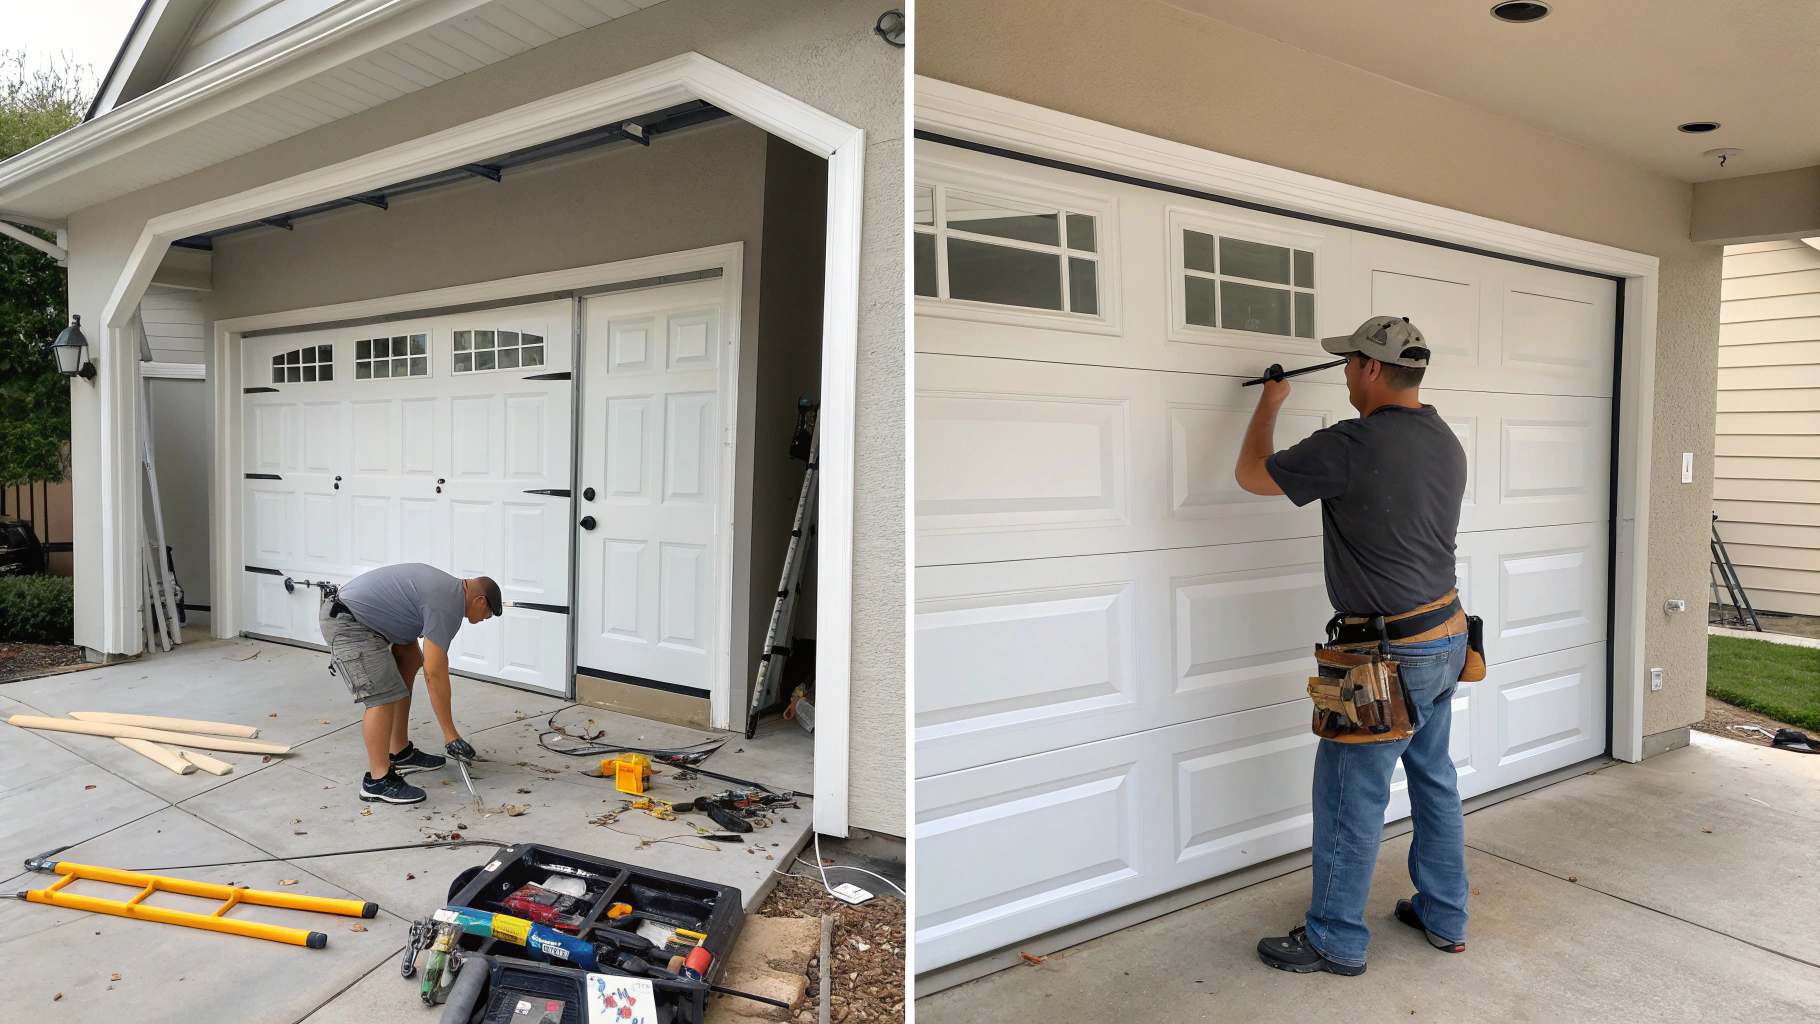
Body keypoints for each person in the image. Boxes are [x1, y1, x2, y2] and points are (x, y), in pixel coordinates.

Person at [1234, 315, 1471, 976]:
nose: (1343, 373)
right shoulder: (1444, 439)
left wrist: (1269, 403)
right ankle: (1444, 914)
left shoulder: (1351, 444)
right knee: (1434, 780)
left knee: (1347, 793)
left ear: (1370, 368)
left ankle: (1335, 936)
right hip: (1447, 638)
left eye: (1347, 364)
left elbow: (1252, 473)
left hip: (1382, 657)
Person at [318, 563, 501, 805]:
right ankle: (377, 781)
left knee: (410, 661)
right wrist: (451, 735)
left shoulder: (449, 591)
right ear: (480, 601)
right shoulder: (448, 605)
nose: (483, 619)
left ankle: (400, 752)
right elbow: (434, 673)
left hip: (363, 619)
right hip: (350, 624)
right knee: (381, 696)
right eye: (487, 615)